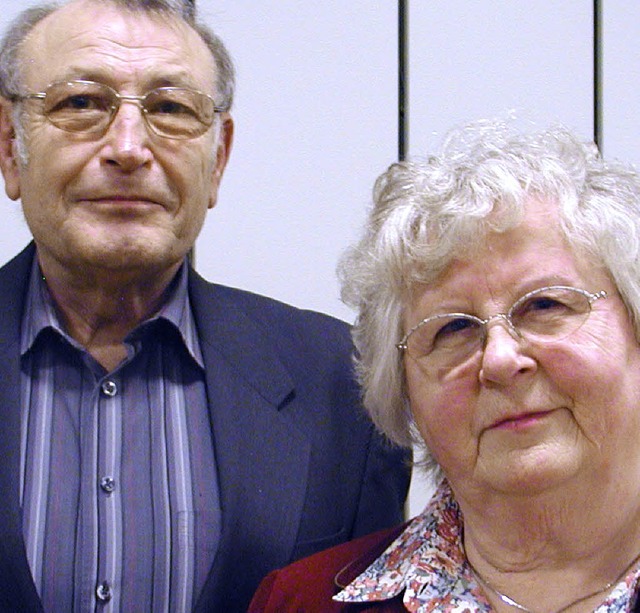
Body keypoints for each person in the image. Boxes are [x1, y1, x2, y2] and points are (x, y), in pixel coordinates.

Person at [0, 0, 410, 611]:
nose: (129, 147)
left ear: (217, 159)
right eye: (81, 103)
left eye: (170, 109)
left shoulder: (344, 383)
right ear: (11, 147)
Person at [249, 120, 640, 612]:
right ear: (403, 389)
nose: (499, 359)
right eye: (453, 329)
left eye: (544, 306)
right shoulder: (300, 603)